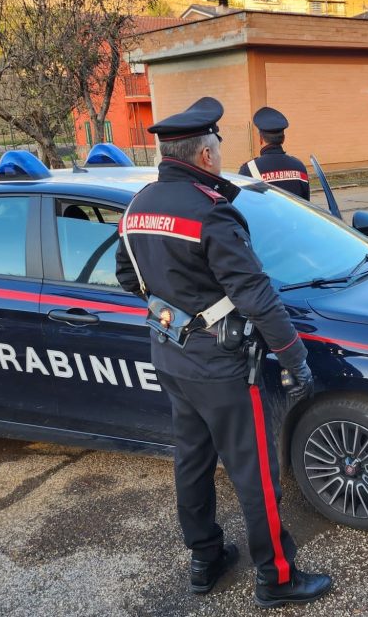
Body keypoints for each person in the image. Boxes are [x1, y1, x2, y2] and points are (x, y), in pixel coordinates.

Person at [114, 97, 332, 608]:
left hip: (170, 355)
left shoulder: (137, 205)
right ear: (205, 155)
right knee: (254, 473)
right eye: (217, 145)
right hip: (223, 366)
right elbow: (257, 295)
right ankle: (277, 578)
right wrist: (295, 359)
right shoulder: (211, 213)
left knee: (191, 462)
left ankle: (205, 560)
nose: (219, 153)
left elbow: (129, 278)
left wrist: (178, 307)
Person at [238, 107, 310, 200]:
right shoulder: (299, 167)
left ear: (260, 139)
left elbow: (244, 206)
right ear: (283, 139)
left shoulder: (248, 170)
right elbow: (307, 205)